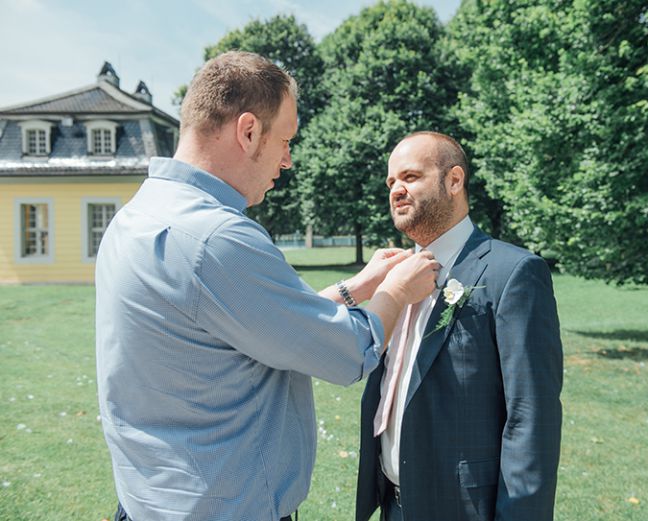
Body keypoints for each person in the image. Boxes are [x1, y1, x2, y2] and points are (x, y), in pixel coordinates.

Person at [95, 51, 439, 521]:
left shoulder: (135, 217)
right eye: (286, 140)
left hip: (152, 501)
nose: (289, 160)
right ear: (249, 131)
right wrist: (396, 291)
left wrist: (355, 287)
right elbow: (345, 352)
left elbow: (252, 326)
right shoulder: (216, 238)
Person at [356, 132, 563, 521]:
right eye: (391, 182)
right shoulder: (394, 276)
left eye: (411, 177)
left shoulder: (512, 273)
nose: (396, 190)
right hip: (392, 505)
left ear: (454, 181)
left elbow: (531, 415)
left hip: (465, 508)